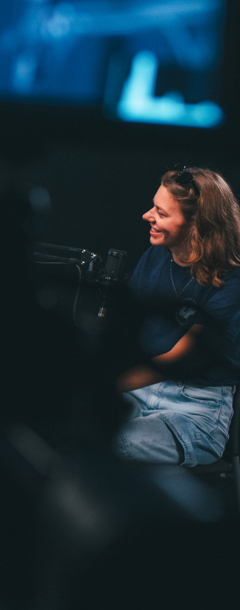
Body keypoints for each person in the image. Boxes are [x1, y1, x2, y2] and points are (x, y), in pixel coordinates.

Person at [114, 166, 240, 466]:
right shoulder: (156, 254)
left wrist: (107, 380)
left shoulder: (233, 280)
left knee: (115, 446)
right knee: (68, 434)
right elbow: (125, 328)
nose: (147, 215)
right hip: (142, 391)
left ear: (197, 223)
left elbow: (183, 357)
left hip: (193, 409)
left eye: (161, 212)